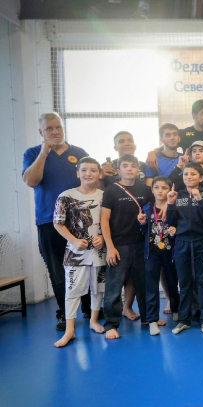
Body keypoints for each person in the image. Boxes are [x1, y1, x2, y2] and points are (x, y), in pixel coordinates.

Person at [23, 112, 90, 331]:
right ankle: (65, 312)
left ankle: (89, 308)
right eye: (49, 129)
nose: (55, 132)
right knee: (58, 271)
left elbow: (92, 180)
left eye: (58, 127)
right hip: (49, 221)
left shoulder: (79, 153)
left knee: (85, 266)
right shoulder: (33, 153)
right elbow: (31, 181)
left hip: (80, 221)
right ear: (41, 132)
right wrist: (44, 153)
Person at [52, 157, 106, 347]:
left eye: (93, 170)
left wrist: (103, 237)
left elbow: (110, 222)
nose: (88, 174)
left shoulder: (105, 196)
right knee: (72, 291)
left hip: (99, 252)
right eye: (84, 170)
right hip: (75, 254)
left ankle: (94, 320)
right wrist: (74, 240)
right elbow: (58, 223)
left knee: (98, 289)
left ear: (100, 174)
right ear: (77, 173)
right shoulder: (65, 196)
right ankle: (70, 330)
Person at [100, 154, 154, 340]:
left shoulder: (145, 190)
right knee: (114, 286)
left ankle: (148, 318)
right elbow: (104, 220)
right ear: (118, 170)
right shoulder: (111, 191)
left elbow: (154, 211)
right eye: (125, 165)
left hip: (141, 244)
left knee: (143, 283)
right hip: (119, 245)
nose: (129, 169)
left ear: (138, 170)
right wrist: (110, 246)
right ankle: (111, 324)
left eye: (133, 165)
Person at [167, 162, 203, 335]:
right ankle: (184, 320)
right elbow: (171, 222)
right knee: (184, 282)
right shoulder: (178, 195)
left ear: (201, 177)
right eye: (186, 174)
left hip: (201, 241)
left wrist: (200, 201)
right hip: (182, 242)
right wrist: (170, 204)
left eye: (193, 174)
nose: (189, 177)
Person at [138, 176, 179, 336]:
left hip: (170, 252)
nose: (160, 191)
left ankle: (176, 309)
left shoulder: (174, 207)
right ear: (152, 190)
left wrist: (175, 231)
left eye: (164, 188)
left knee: (172, 283)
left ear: (170, 190)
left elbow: (179, 225)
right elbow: (143, 231)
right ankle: (152, 320)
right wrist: (142, 223)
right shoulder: (147, 208)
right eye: (157, 187)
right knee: (151, 287)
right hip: (152, 253)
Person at [146, 99, 203, 171]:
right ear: (194, 115)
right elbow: (166, 146)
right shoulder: (183, 133)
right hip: (191, 176)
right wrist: (152, 153)